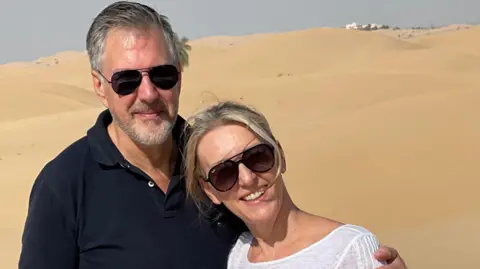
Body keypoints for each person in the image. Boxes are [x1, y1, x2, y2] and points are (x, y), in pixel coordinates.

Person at [17, 1, 407, 269]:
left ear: (179, 77)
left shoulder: (219, 159)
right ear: (100, 86)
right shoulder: (64, 184)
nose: (149, 94)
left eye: (163, 75)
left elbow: (283, 237)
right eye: (127, 80)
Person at [182, 100, 401, 268]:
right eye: (224, 173)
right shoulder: (238, 256)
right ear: (210, 191)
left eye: (257, 157)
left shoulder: (349, 248)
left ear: (280, 156)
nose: (247, 179)